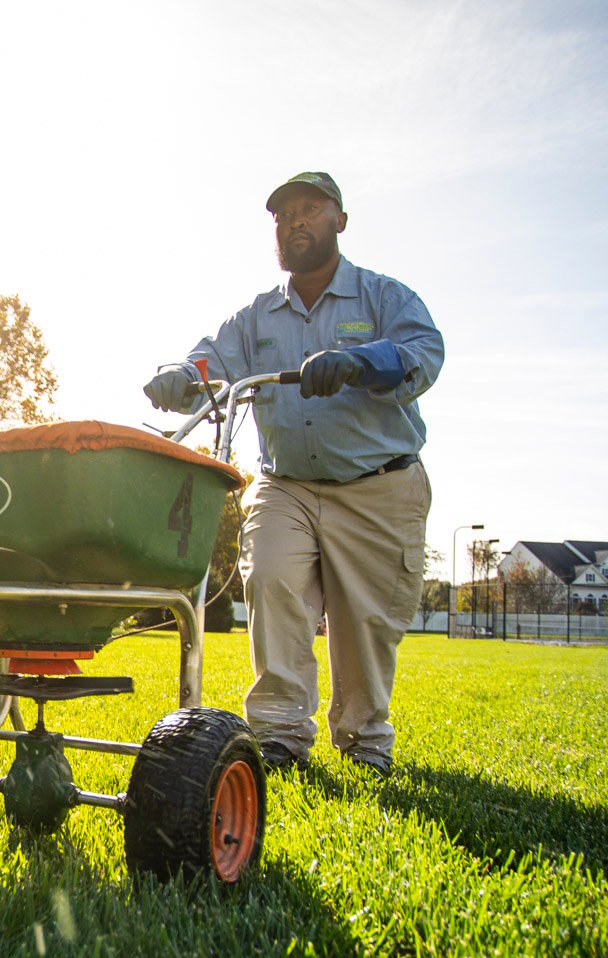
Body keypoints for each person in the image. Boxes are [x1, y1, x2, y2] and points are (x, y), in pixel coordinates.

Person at [143, 171, 443, 777]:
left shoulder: (384, 298)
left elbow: (424, 353)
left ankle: (363, 739)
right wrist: (181, 375)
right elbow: (211, 360)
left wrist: (360, 362)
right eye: (283, 215)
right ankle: (278, 736)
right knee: (273, 580)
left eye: (310, 209)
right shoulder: (256, 318)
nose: (295, 221)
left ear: (340, 220)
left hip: (377, 485)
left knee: (364, 626)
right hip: (287, 486)